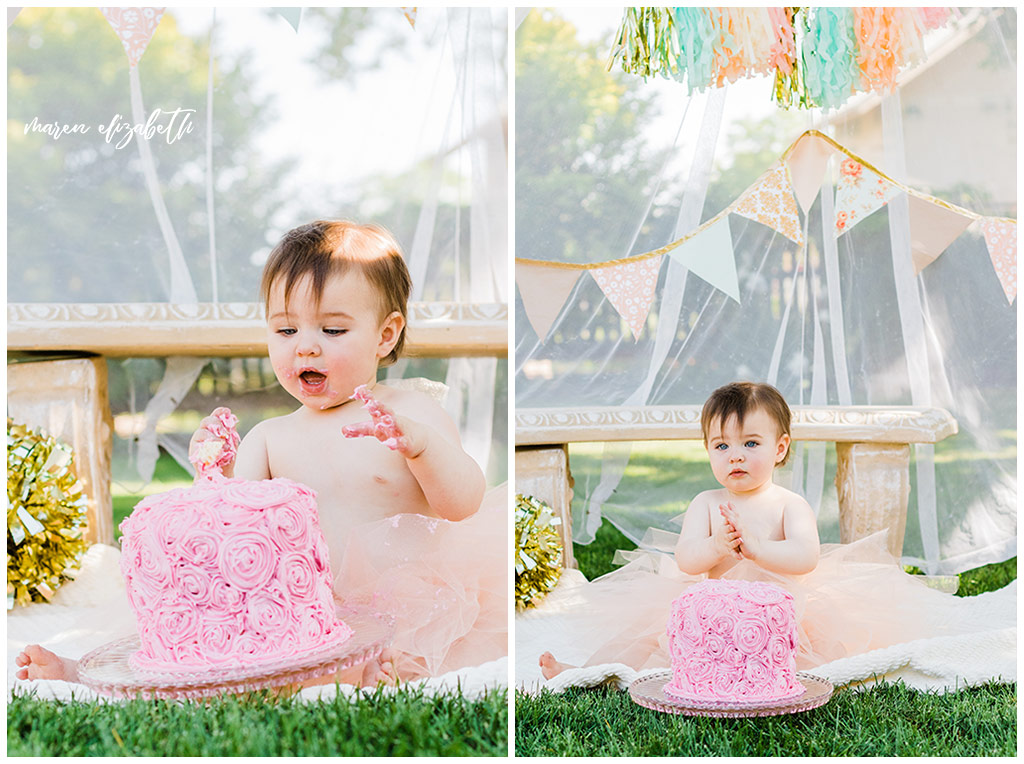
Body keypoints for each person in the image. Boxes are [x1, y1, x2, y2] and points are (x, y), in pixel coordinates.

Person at [16, 220, 506, 687]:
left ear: (385, 334)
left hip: (403, 604)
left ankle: (370, 671)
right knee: (200, 625)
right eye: (287, 331)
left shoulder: (407, 413)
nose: (306, 349)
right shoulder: (271, 436)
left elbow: (462, 503)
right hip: (297, 610)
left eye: (332, 331)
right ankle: (95, 670)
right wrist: (214, 470)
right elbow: (226, 537)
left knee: (388, 652)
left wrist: (420, 448)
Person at [537, 381, 994, 680]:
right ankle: (586, 670)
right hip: (714, 609)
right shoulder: (707, 503)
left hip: (783, 606)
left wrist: (756, 549)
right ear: (708, 451)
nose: (735, 456)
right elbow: (686, 560)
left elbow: (805, 558)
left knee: (811, 654)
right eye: (722, 445)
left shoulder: (788, 505)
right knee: (651, 638)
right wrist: (717, 546)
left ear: (780, 448)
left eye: (750, 443)